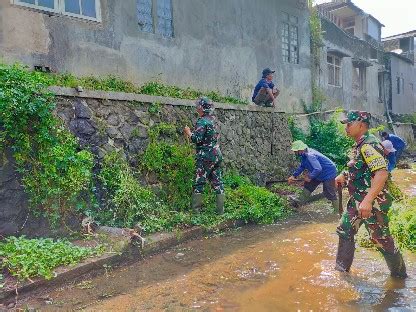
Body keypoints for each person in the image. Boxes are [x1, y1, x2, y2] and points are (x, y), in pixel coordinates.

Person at [334, 111, 407, 278]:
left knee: (382, 240)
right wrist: (344, 175)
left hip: (372, 203)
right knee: (345, 230)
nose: (346, 127)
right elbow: (360, 168)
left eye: (349, 124)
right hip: (357, 200)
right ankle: (341, 273)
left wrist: (368, 200)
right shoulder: (359, 145)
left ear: (361, 125)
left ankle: (400, 277)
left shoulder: (369, 145)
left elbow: (381, 173)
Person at [184, 97, 225, 214]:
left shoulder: (202, 121)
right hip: (217, 154)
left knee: (199, 182)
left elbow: (197, 139)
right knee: (218, 182)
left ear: (201, 107)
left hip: (206, 156)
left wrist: (188, 132)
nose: (196, 107)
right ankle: (220, 212)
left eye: (198, 106)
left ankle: (196, 213)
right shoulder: (213, 120)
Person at [288, 140, 339, 212]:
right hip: (318, 172)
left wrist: (309, 177)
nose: (295, 153)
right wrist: (294, 176)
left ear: (300, 150)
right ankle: (299, 203)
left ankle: (338, 211)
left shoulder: (310, 155)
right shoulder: (304, 155)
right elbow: (302, 166)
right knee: (309, 185)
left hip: (329, 172)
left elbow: (318, 169)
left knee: (329, 191)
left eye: (296, 151)